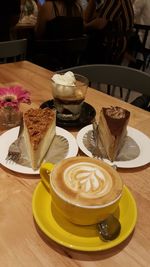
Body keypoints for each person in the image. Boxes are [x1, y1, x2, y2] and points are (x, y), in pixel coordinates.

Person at [83, 0, 134, 64]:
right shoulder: (107, 3)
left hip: (112, 45)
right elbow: (88, 18)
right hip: (111, 42)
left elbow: (100, 24)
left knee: (81, 48)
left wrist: (85, 26)